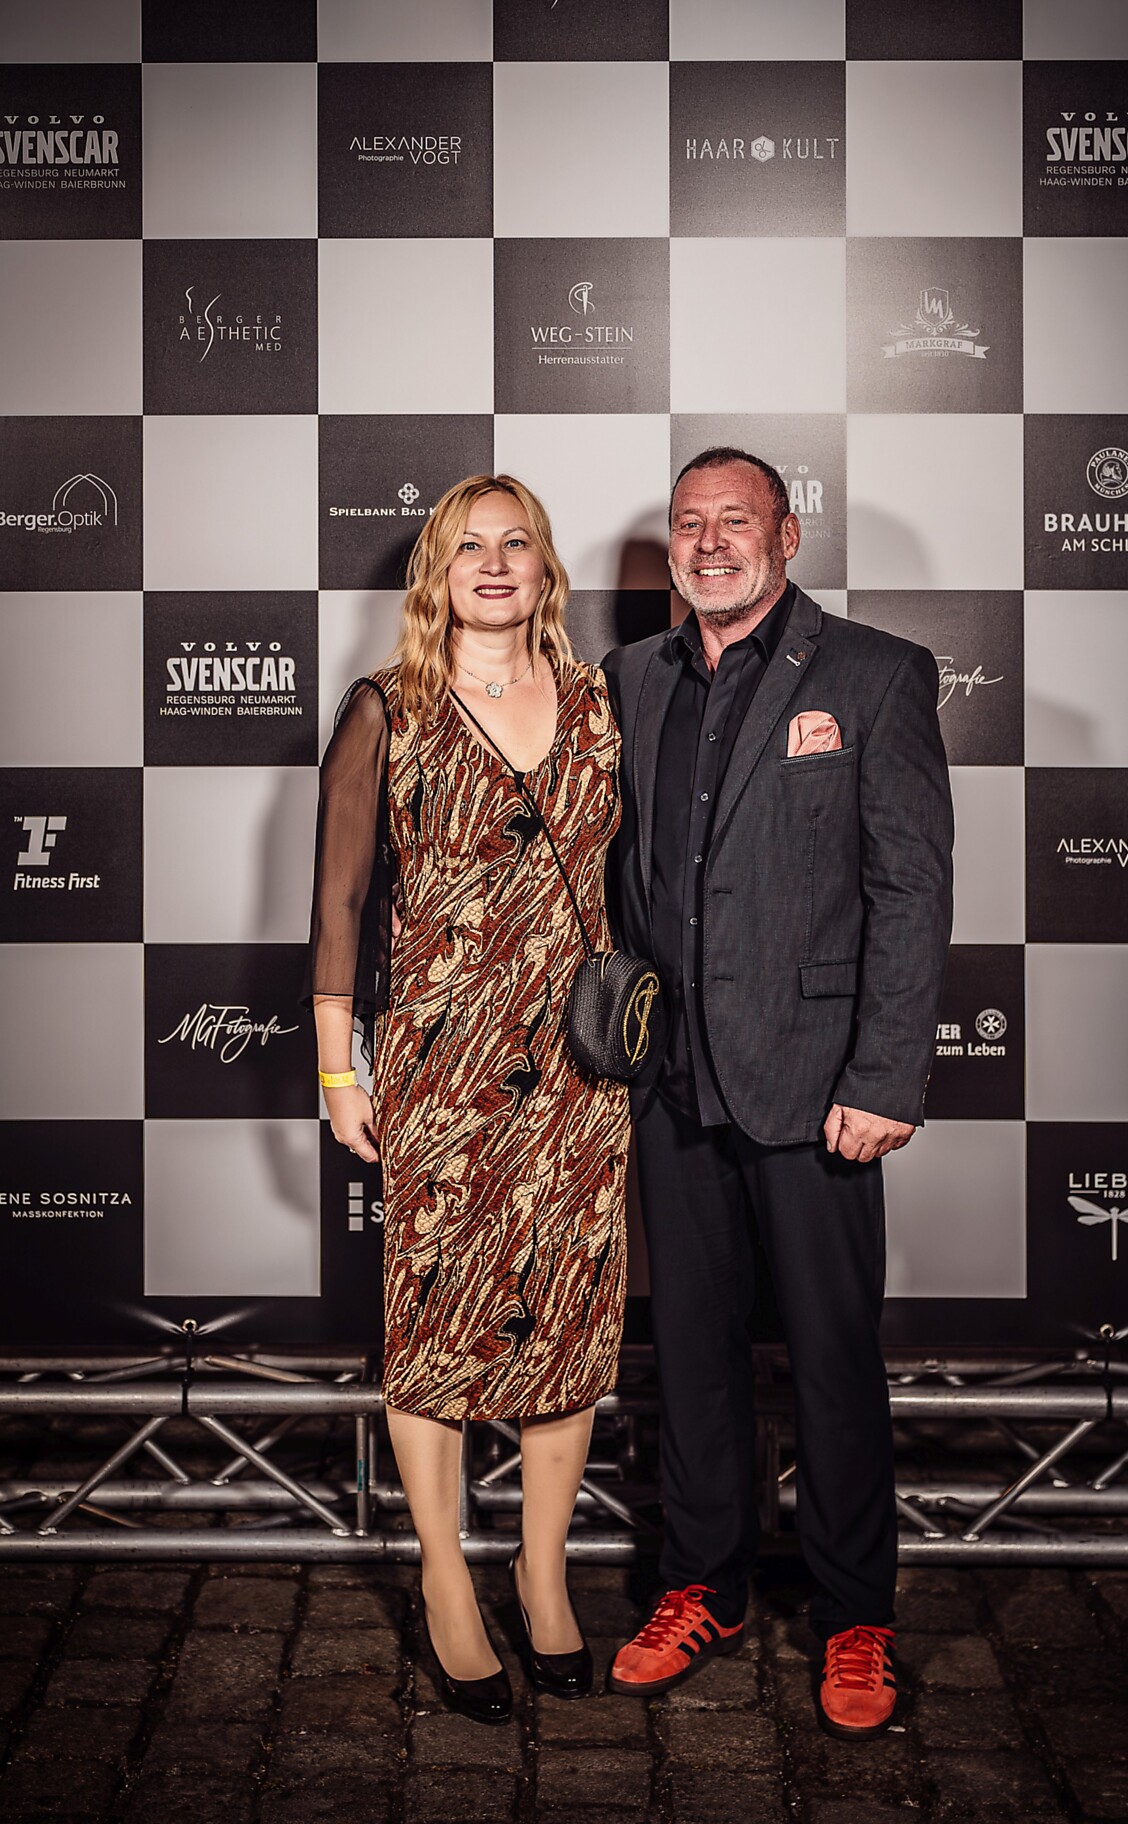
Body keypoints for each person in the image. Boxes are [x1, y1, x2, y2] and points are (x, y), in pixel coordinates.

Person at [602, 448, 953, 1737]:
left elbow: (909, 890)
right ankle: (703, 1586)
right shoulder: (629, 678)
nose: (708, 544)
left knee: (831, 1358)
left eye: (733, 521)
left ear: (786, 535)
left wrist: (884, 1075)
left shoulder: (874, 673)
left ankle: (857, 1613)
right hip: (670, 1082)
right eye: (688, 524)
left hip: (816, 1088)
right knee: (689, 1353)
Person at [307, 474, 630, 1724]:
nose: (493, 565)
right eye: (467, 547)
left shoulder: (602, 703)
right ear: (434, 574)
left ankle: (542, 1579)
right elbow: (339, 904)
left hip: (579, 1070)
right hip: (440, 1065)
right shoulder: (387, 708)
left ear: (544, 569)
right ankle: (445, 1578)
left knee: (566, 1323)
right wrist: (339, 1071)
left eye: (515, 544)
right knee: (435, 1325)